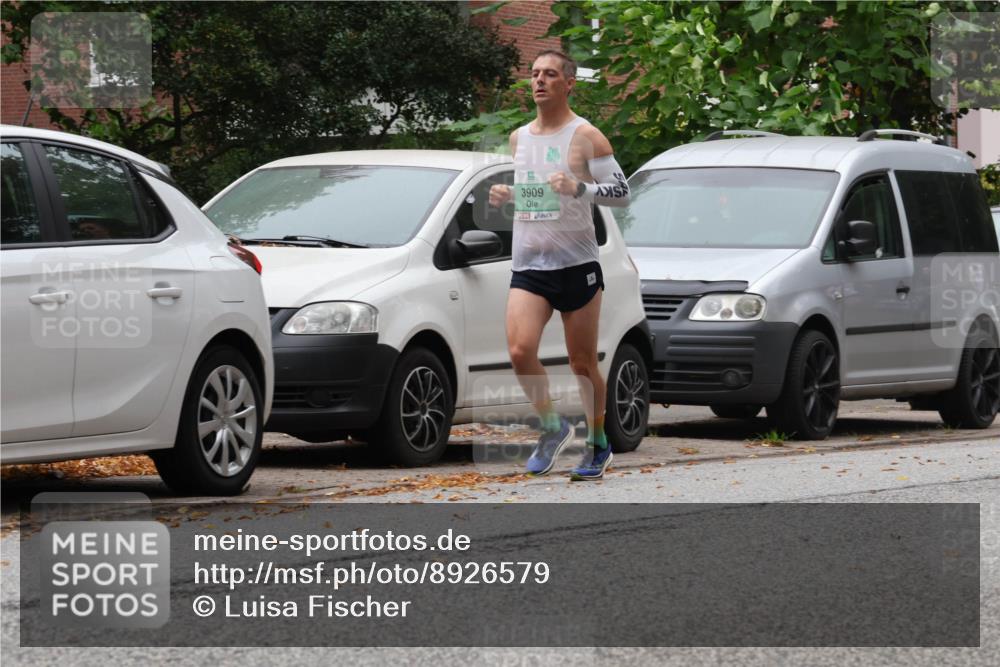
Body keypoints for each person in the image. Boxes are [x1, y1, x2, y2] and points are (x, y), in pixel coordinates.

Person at [489, 49, 630, 480]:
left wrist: (580, 188)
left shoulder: (588, 137)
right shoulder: (519, 139)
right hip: (530, 263)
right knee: (519, 350)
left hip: (577, 265)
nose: (539, 81)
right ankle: (552, 427)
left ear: (569, 83)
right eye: (534, 74)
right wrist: (508, 197)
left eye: (549, 74)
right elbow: (537, 193)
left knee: (582, 363)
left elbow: (622, 193)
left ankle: (598, 442)